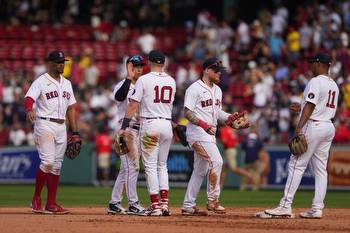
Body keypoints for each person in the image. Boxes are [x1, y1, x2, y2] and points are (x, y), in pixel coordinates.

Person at [264, 53, 339, 219]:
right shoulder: (333, 84)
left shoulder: (315, 81)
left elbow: (312, 105)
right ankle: (317, 208)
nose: (311, 66)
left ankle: (285, 205)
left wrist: (299, 128)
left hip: (313, 125)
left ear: (320, 64)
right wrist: (302, 105)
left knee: (296, 165)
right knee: (320, 170)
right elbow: (316, 104)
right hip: (328, 126)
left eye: (313, 63)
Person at [181, 57, 245, 216]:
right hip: (197, 134)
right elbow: (187, 112)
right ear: (206, 70)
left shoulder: (218, 90)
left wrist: (230, 118)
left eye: (220, 71)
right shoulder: (194, 88)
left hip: (209, 136)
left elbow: (218, 114)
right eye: (216, 70)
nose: (219, 73)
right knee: (217, 161)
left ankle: (188, 206)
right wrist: (204, 125)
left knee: (199, 171)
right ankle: (213, 201)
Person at [118, 50, 176, 216]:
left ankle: (156, 206)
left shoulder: (144, 79)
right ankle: (165, 204)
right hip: (166, 124)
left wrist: (123, 126)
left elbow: (132, 105)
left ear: (150, 62)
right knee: (162, 166)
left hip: (150, 124)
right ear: (163, 63)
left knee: (150, 167)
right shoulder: (172, 81)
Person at [24, 50, 80, 214]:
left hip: (61, 126)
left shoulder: (67, 83)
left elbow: (71, 108)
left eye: (63, 62)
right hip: (44, 124)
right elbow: (29, 98)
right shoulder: (41, 81)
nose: (61, 64)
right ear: (50, 63)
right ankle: (36, 199)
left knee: (56, 167)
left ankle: (51, 204)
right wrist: (29, 110)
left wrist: (75, 131)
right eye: (58, 62)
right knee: (47, 162)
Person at [107, 55, 146, 215]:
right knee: (133, 167)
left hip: (139, 131)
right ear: (128, 67)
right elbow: (119, 96)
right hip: (125, 131)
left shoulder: (144, 86)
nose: (139, 68)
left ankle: (114, 203)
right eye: (135, 65)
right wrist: (128, 77)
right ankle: (133, 204)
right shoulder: (122, 85)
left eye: (141, 66)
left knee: (126, 169)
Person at [219, 124, 254, 189]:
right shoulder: (232, 130)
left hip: (229, 150)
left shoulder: (224, 130)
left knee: (233, 169)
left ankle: (249, 175)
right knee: (223, 169)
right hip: (232, 149)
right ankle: (220, 186)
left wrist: (219, 140)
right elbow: (236, 142)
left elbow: (224, 141)